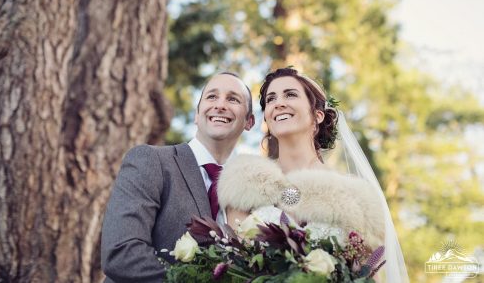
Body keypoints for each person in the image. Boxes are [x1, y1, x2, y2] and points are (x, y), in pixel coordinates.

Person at [217, 67, 409, 282]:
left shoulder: (356, 197)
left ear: (317, 115)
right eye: (271, 99)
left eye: (290, 94)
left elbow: (367, 273)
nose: (278, 103)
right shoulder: (244, 182)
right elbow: (236, 265)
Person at [101, 72, 255, 282]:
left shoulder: (253, 190)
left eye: (233, 99)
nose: (220, 105)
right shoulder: (151, 160)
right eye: (211, 97)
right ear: (196, 114)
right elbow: (121, 252)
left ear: (249, 121)